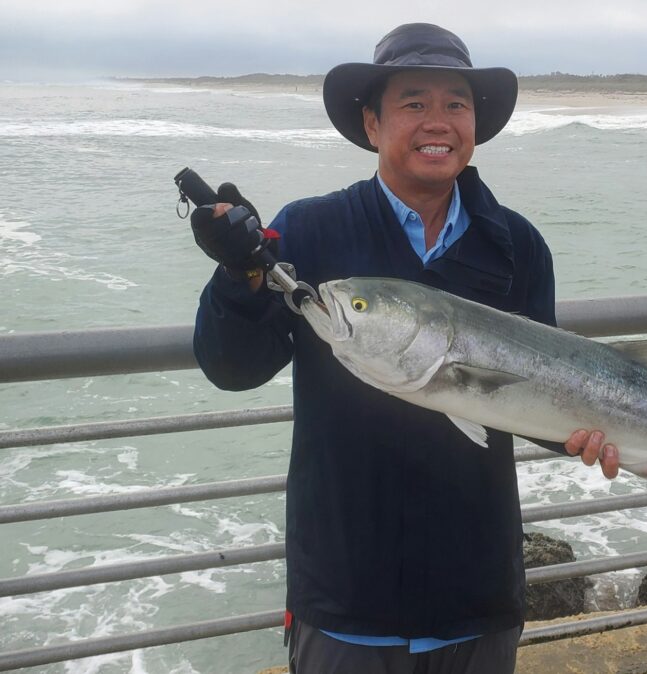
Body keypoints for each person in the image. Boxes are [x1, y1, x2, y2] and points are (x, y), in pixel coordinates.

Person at [190, 22, 620, 674]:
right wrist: (239, 277)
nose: (437, 121)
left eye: (456, 103)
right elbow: (232, 366)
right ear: (372, 123)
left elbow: (536, 393)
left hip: (475, 594)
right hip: (346, 596)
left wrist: (580, 432)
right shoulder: (311, 228)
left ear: (475, 122)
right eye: (413, 102)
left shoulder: (517, 246)